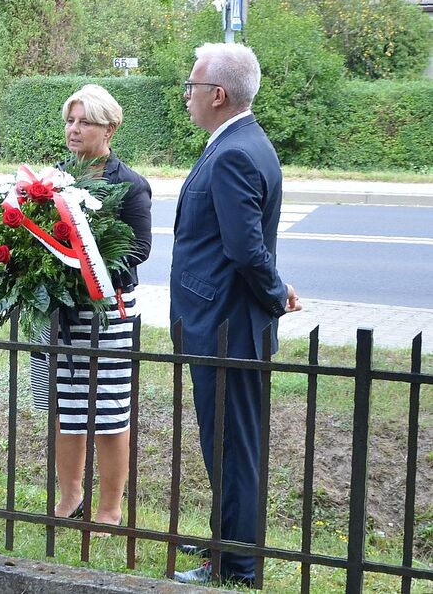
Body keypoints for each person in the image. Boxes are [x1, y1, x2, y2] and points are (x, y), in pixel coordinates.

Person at [170, 44, 302, 586]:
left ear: (217, 95)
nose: (187, 96)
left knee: (232, 448)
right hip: (223, 320)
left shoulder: (233, 153)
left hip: (226, 325)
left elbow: (246, 249)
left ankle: (237, 566)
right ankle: (227, 545)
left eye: (193, 86)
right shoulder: (239, 143)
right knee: (227, 444)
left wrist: (274, 295)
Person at [29, 84, 152, 529]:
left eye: (85, 122)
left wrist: (86, 267)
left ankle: (110, 507)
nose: (74, 129)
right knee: (66, 409)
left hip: (109, 313)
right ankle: (70, 497)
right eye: (70, 120)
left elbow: (139, 250)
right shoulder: (53, 179)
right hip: (60, 314)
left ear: (110, 128)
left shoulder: (131, 185)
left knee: (110, 413)